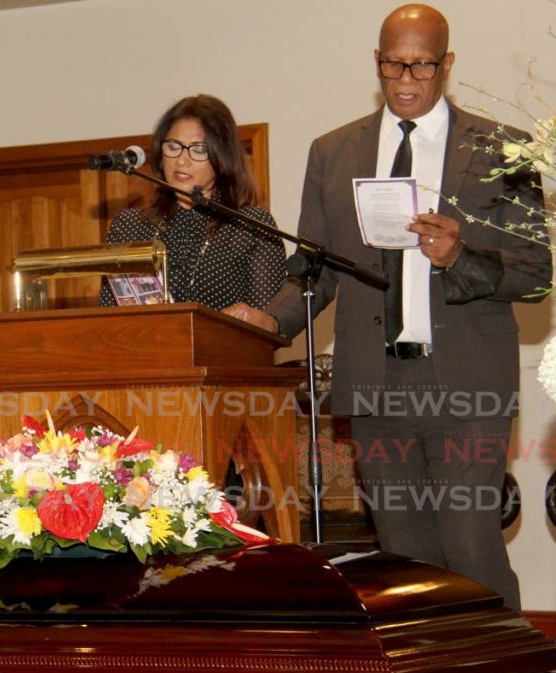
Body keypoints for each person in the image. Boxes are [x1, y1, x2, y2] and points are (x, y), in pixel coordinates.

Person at [224, 4, 551, 610]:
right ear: (376, 61)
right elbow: (314, 270)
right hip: (375, 386)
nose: (404, 78)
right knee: (405, 553)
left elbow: (537, 278)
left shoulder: (503, 150)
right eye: (391, 64)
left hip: (468, 385)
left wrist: (460, 256)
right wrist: (272, 319)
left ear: (447, 64)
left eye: (421, 65)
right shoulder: (333, 152)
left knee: (470, 541)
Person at [99, 94, 286, 310]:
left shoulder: (251, 226)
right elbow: (107, 312)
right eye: (174, 146)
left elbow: (265, 325)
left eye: (198, 150)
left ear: (223, 159)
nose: (181, 160)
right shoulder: (129, 225)